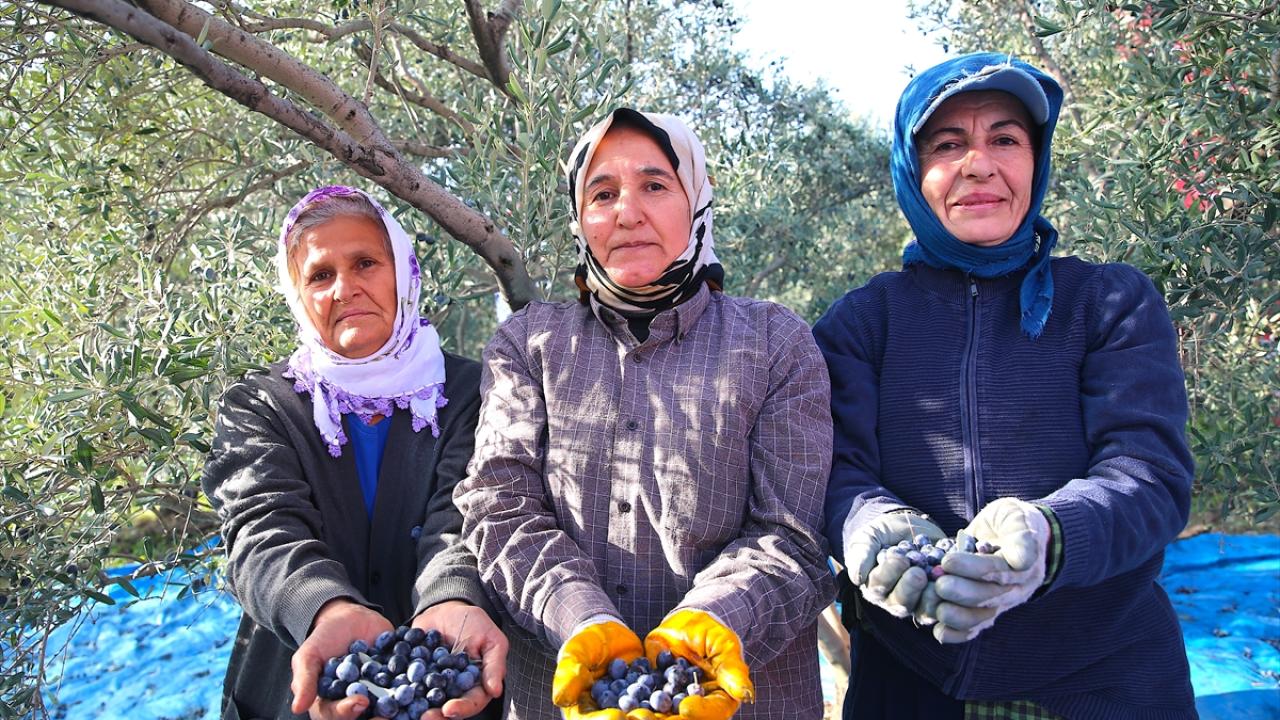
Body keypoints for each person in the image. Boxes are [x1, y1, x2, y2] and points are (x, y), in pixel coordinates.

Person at [814, 52, 1197, 719]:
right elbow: (837, 469)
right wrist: (871, 523)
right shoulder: (861, 322)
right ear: (912, 169)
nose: (978, 164)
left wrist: (1046, 536)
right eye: (948, 144)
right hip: (908, 683)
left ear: (1035, 160)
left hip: (1104, 680)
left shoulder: (1109, 304)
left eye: (1005, 139)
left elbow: (1150, 474)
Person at [454, 108, 836, 719]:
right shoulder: (528, 346)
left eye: (655, 186)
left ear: (696, 202)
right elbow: (498, 507)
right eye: (602, 194)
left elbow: (792, 534)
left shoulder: (775, 343)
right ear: (580, 221)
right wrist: (579, 616)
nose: (626, 212)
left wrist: (712, 622)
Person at [202, 185, 507, 720]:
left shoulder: (470, 393)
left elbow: (463, 517)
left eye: (366, 262)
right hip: (295, 687)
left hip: (442, 695)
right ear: (298, 294)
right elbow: (261, 529)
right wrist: (323, 608)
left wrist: (450, 598)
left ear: (403, 272)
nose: (345, 288)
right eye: (320, 275)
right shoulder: (259, 406)